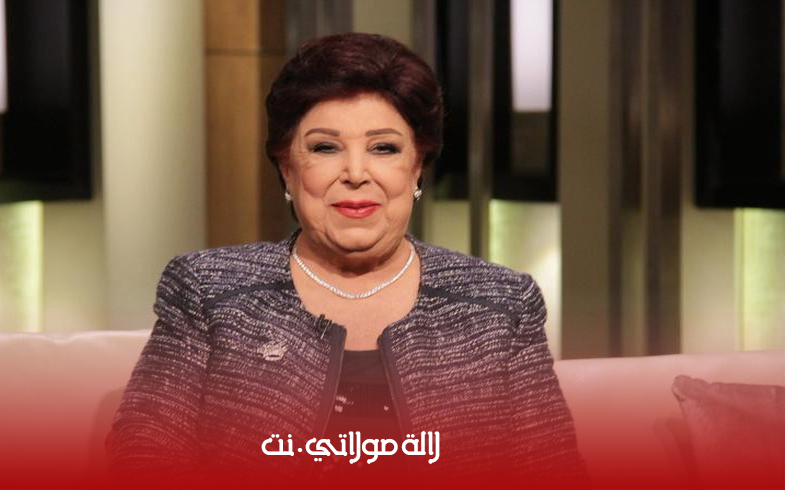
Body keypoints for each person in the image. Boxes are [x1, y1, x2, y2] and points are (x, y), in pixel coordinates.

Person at [106, 32, 587, 490]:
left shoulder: (501, 304)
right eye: (325, 148)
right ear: (287, 169)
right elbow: (142, 460)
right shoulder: (208, 291)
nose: (356, 173)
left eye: (384, 148)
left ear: (417, 167)